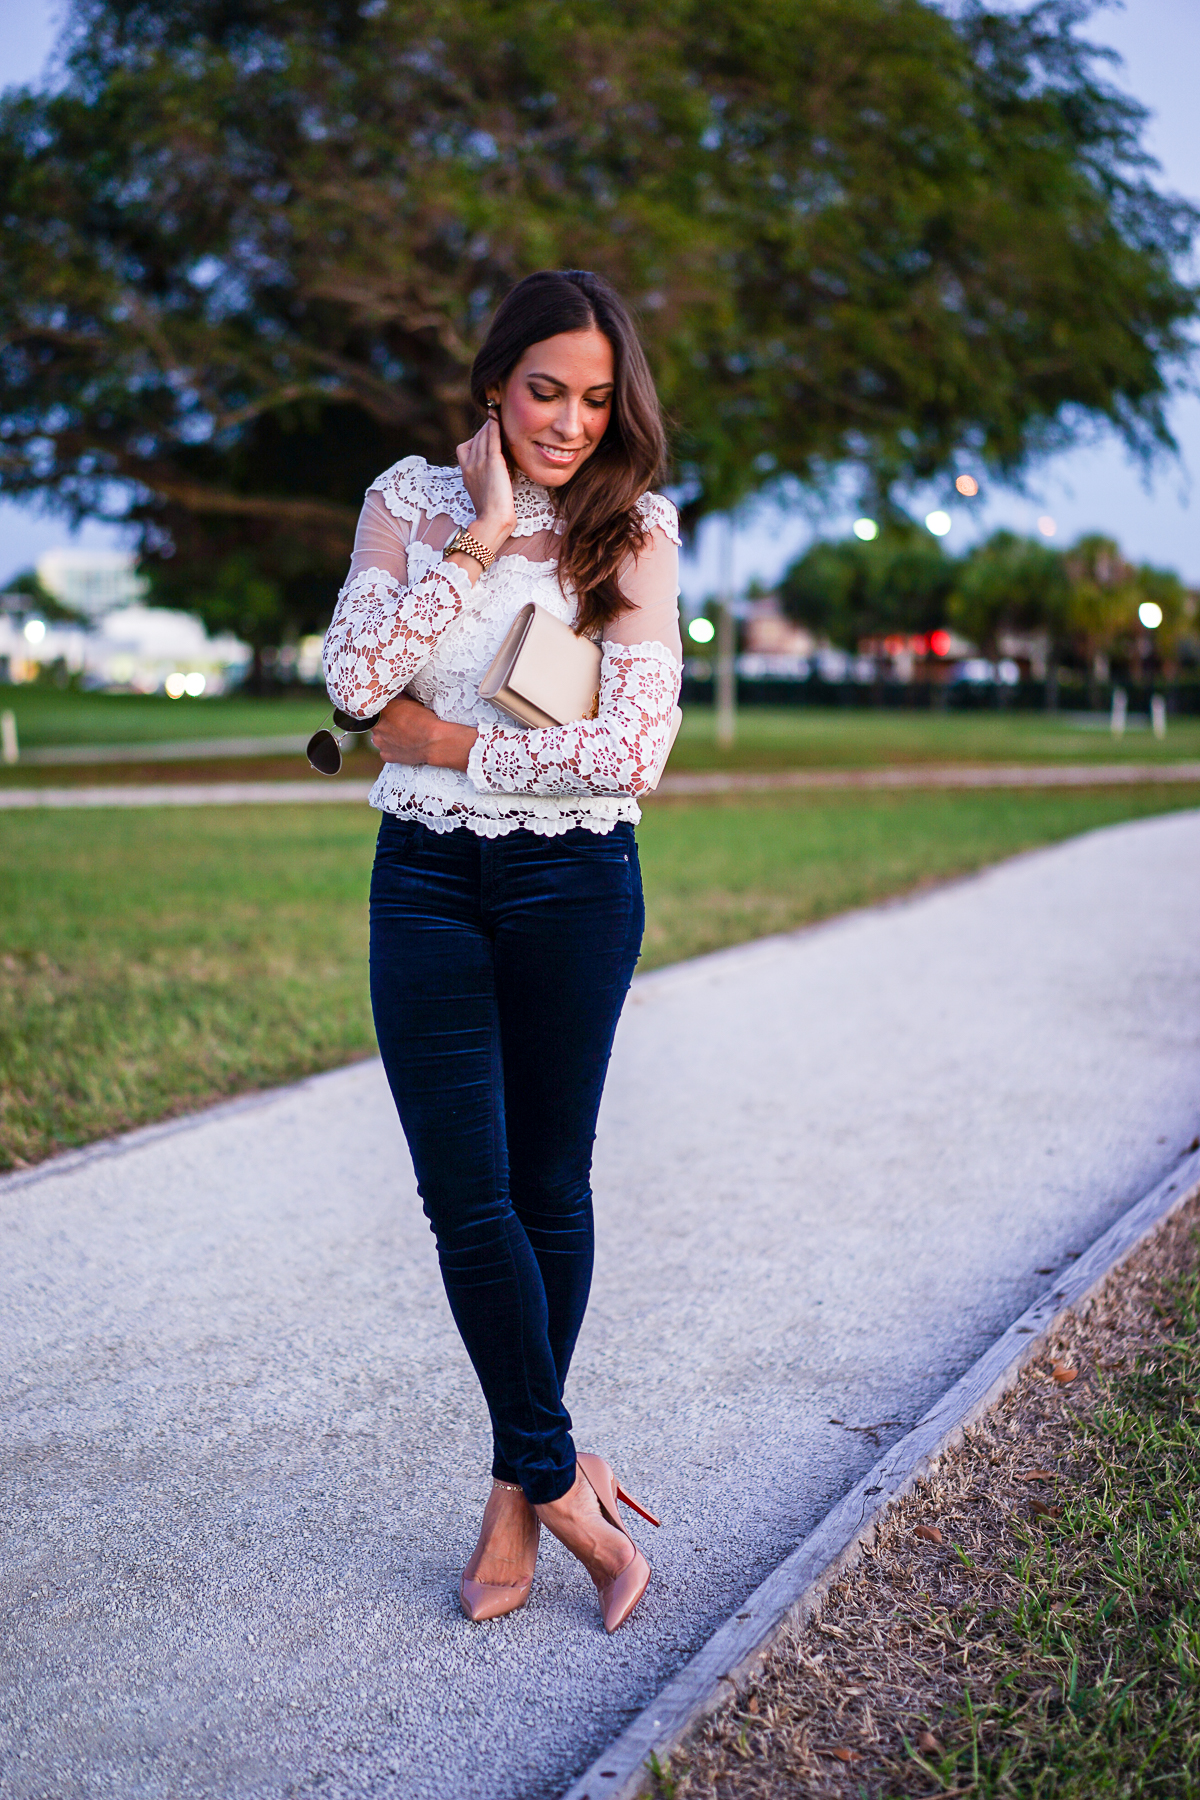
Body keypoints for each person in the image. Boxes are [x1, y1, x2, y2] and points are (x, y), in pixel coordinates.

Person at [322, 269, 682, 1634]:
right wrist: (477, 536)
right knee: (462, 1199)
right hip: (422, 878)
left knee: (546, 1186)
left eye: (598, 397)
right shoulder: (411, 503)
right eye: (547, 389)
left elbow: (630, 753)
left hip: (574, 886)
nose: (571, 422)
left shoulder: (634, 530)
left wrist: (453, 743)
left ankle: (509, 1491)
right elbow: (355, 688)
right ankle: (560, 1471)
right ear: (493, 382)